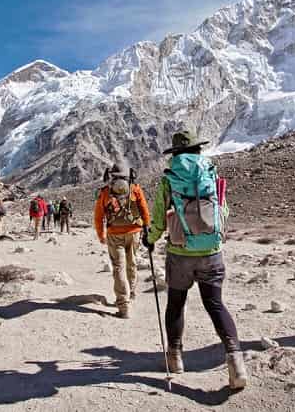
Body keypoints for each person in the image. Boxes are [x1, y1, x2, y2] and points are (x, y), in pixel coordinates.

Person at [143, 131, 247, 390]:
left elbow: (157, 217)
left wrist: (150, 238)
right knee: (215, 303)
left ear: (176, 153)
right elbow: (222, 208)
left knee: (176, 303)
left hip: (180, 252)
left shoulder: (169, 178)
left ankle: (175, 357)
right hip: (212, 251)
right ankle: (236, 362)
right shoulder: (210, 173)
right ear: (197, 150)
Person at [93, 163, 150, 319]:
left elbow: (98, 216)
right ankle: (131, 293)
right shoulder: (135, 189)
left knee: (118, 267)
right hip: (134, 232)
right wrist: (147, 227)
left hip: (114, 234)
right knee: (132, 263)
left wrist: (101, 235)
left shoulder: (105, 192)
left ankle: (123, 305)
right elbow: (144, 209)